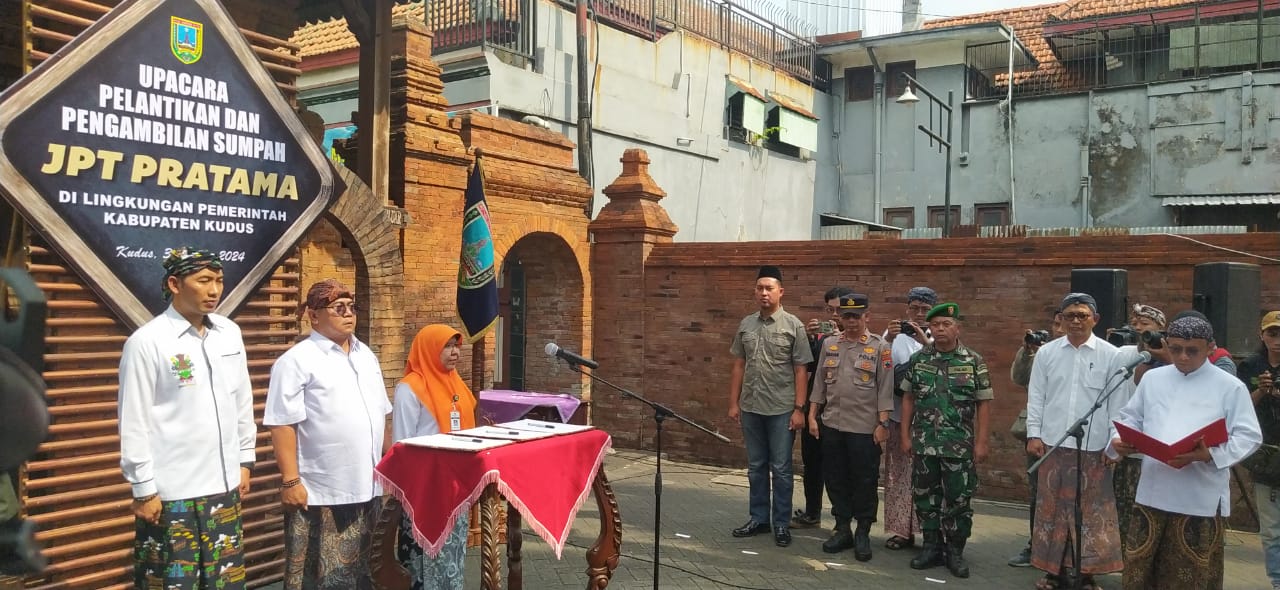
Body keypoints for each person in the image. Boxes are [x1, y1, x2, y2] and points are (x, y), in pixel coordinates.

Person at [117, 248, 255, 589]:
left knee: (226, 582)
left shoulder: (229, 333)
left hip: (224, 486)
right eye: (204, 280)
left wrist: (246, 459)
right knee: (171, 582)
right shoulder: (147, 342)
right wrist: (144, 487)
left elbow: (241, 399)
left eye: (219, 281)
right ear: (175, 283)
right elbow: (134, 420)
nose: (214, 290)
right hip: (172, 493)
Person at [1107, 315, 1262, 589]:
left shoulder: (1229, 386)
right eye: (1175, 348)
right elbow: (1130, 418)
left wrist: (1209, 455)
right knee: (1141, 571)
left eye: (1192, 350)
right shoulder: (1153, 379)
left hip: (1198, 495)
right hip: (1153, 490)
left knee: (1190, 574)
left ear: (1210, 347)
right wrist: (1120, 439)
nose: (1183, 357)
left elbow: (1249, 436)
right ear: (1166, 344)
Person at [265, 279, 393, 589]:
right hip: (322, 490)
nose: (349, 314)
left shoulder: (366, 355)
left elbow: (382, 413)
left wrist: (392, 466)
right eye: (339, 307)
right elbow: (282, 423)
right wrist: (290, 481)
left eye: (352, 307)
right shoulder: (296, 361)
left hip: (369, 485)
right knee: (324, 576)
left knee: (366, 573)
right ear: (313, 315)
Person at [1026, 293, 1125, 590]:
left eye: (1082, 315)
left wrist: (1114, 443)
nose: (1076, 321)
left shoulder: (1111, 355)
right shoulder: (1047, 353)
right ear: (1061, 319)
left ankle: (1086, 574)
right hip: (1054, 444)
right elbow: (1037, 396)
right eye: (1070, 315)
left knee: (1091, 513)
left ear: (1095, 319)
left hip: (1094, 448)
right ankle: (1052, 572)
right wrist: (1034, 434)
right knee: (1051, 511)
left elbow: (1118, 404)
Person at [899, 302, 992, 578]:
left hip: (959, 444)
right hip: (925, 442)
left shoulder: (973, 361)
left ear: (957, 327)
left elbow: (984, 404)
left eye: (945, 324)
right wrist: (904, 435)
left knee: (958, 501)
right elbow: (908, 398)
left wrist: (982, 442)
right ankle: (931, 547)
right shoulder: (919, 360)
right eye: (935, 325)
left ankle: (955, 551)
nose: (939, 329)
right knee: (925, 497)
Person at [728, 265, 813, 548]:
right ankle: (759, 518)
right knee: (755, 467)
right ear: (755, 291)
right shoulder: (746, 325)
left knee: (782, 468)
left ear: (780, 292)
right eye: (760, 288)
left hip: (782, 409)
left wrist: (799, 408)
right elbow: (739, 364)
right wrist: (733, 403)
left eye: (769, 288)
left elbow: (802, 369)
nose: (764, 293)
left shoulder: (793, 325)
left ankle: (780, 523)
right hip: (751, 406)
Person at [807, 293, 893, 560]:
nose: (852, 321)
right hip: (832, 424)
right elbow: (819, 384)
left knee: (865, 481)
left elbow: (886, 390)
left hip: (865, 429)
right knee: (835, 478)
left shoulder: (881, 347)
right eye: (847, 316)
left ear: (867, 316)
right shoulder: (830, 344)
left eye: (857, 316)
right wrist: (812, 416)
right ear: (840, 318)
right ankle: (842, 528)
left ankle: (863, 531)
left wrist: (883, 423)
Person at [393, 325, 479, 590]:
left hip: (455, 486)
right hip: (423, 489)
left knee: (452, 556)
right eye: (448, 347)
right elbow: (402, 443)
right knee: (421, 562)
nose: (455, 353)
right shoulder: (410, 388)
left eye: (457, 347)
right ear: (429, 349)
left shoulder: (456, 383)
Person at [1007, 311, 1064, 568]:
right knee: (1038, 493)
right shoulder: (1044, 353)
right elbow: (1019, 378)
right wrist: (1027, 351)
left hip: (1073, 434)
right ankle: (1035, 546)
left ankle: (1067, 552)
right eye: (1057, 322)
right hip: (1040, 433)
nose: (1061, 327)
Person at [881, 286, 936, 551]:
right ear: (907, 309)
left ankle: (931, 534)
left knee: (929, 478)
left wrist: (926, 343)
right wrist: (889, 338)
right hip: (898, 416)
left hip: (930, 422)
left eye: (925, 309)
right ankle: (902, 531)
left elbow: (945, 367)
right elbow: (881, 367)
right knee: (899, 476)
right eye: (915, 308)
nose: (920, 314)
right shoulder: (893, 336)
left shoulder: (941, 335)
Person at [795, 286, 854, 529]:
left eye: (839, 310)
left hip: (843, 412)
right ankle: (812, 513)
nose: (834, 315)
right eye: (830, 310)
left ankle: (843, 521)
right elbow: (806, 367)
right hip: (815, 409)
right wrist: (808, 338)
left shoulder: (858, 338)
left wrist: (842, 332)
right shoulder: (820, 338)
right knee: (812, 463)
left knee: (840, 467)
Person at [1111, 303, 1166, 556]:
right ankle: (1128, 567)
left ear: (1161, 330)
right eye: (1136, 323)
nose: (1139, 328)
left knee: (1150, 515)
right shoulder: (1124, 354)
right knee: (1124, 512)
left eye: (1146, 324)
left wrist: (1164, 356)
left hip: (1158, 455)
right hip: (1127, 449)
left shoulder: (1174, 359)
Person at [1241, 311, 1280, 590]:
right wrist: (1261, 391)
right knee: (1270, 527)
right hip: (1266, 454)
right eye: (1273, 334)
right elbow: (1240, 410)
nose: (1277, 341)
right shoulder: (1251, 366)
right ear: (1262, 335)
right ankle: (1277, 579)